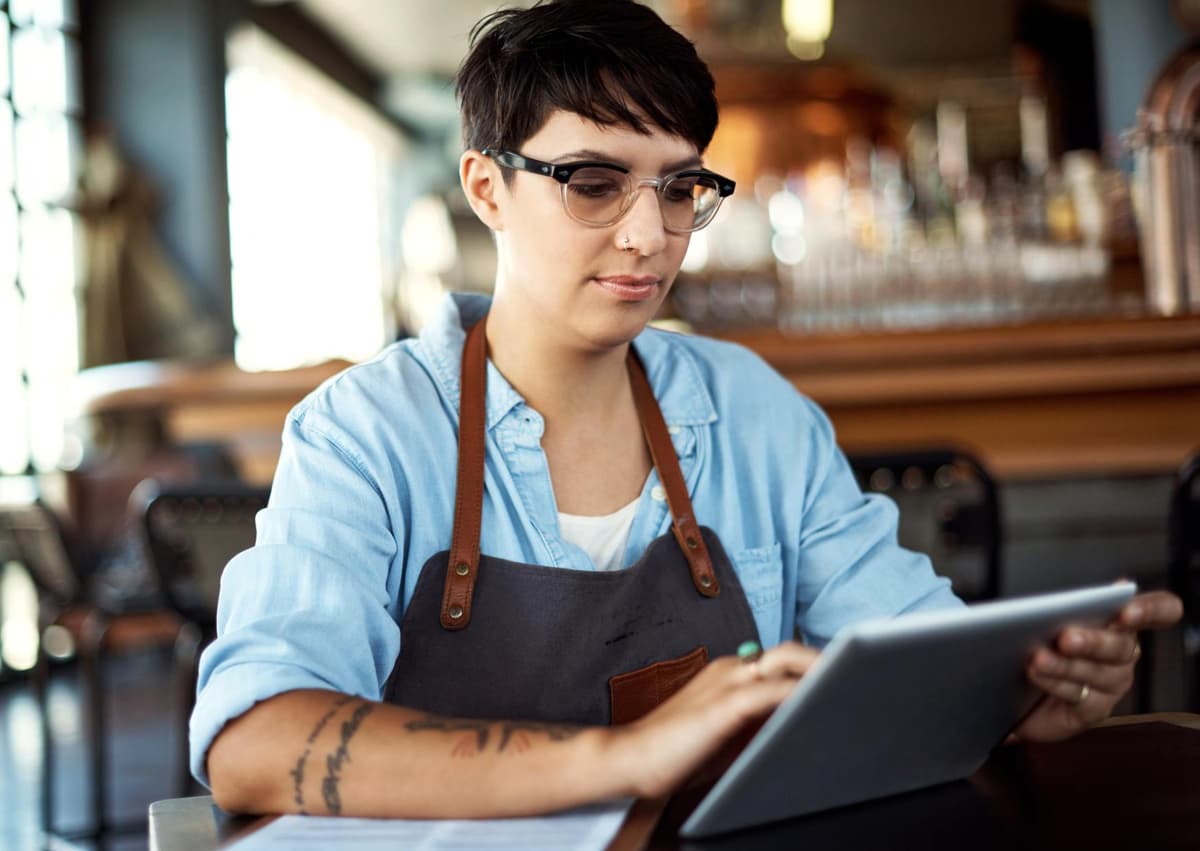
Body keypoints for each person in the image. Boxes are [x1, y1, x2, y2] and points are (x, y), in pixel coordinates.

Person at [194, 0, 1181, 820]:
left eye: (680, 188)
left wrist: (1021, 694)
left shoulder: (754, 409)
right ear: (486, 187)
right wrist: (630, 755)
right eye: (592, 183)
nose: (647, 234)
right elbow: (254, 737)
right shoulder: (365, 431)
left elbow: (908, 643)